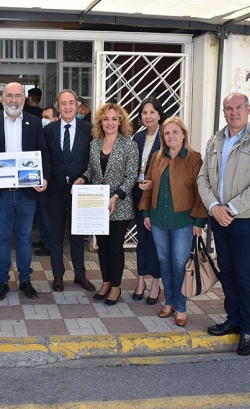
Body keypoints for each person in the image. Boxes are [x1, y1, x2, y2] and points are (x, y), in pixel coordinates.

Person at [197, 93, 250, 356]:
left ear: (248, 110)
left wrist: (229, 209)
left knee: (244, 275)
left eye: (238, 107)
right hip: (218, 219)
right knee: (227, 272)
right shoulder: (215, 141)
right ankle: (233, 320)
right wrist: (213, 207)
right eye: (228, 108)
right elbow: (203, 179)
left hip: (244, 220)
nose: (233, 112)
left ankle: (248, 330)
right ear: (223, 112)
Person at [0, 82, 50, 301]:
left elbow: (44, 154)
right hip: (1, 192)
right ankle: (2, 281)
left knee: (24, 237)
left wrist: (44, 178)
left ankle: (25, 280)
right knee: (2, 238)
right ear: (2, 99)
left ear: (25, 99)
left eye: (18, 96)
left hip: (26, 192)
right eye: (9, 95)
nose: (13, 100)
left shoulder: (35, 122)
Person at [139, 117, 208, 327]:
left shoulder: (194, 158)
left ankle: (181, 306)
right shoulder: (157, 157)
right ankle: (168, 301)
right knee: (164, 262)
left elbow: (200, 192)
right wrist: (146, 213)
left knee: (179, 264)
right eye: (167, 133)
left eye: (175, 132)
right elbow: (148, 185)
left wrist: (198, 221)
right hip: (159, 218)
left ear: (184, 134)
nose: (171, 137)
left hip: (183, 220)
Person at [73, 103, 138, 305]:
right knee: (102, 247)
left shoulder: (129, 145)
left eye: (114, 119)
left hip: (119, 206)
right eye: (106, 119)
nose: (110, 123)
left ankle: (117, 287)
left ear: (121, 121)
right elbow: (91, 171)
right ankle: (106, 282)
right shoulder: (94, 144)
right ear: (100, 121)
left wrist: (116, 197)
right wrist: (81, 179)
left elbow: (131, 177)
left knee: (115, 248)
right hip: (98, 206)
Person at [44, 89, 95, 292]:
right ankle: (58, 275)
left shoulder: (89, 129)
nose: (67, 107)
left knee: (77, 235)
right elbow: (44, 158)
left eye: (71, 103)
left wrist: (85, 179)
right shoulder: (49, 130)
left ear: (77, 105)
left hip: (79, 190)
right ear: (58, 106)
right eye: (63, 103)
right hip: (55, 190)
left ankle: (80, 275)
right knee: (55, 235)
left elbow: (92, 160)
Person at [131, 98, 163, 304]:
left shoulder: (166, 136)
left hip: (158, 196)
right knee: (141, 240)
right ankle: (140, 280)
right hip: (137, 192)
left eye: (152, 112)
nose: (148, 116)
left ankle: (155, 283)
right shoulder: (138, 136)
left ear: (159, 114)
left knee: (155, 240)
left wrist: (153, 184)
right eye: (144, 112)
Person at [32, 106, 60, 255]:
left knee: (47, 213)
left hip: (50, 181)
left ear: (56, 119)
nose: (43, 120)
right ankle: (44, 239)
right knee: (41, 212)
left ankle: (49, 244)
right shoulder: (41, 133)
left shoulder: (55, 136)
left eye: (47, 118)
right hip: (39, 179)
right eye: (42, 117)